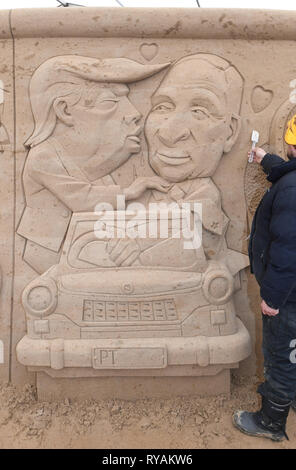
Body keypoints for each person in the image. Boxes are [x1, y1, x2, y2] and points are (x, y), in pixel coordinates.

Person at [17, 55, 171, 273]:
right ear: (65, 110)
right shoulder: (43, 157)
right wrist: (129, 192)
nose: (134, 114)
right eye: (110, 103)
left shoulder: (94, 170)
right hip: (48, 254)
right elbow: (81, 198)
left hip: (84, 251)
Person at [233, 114, 296, 441]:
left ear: (290, 142)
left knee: (280, 355)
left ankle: (272, 422)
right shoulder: (291, 183)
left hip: (288, 295)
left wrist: (272, 298)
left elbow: (289, 252)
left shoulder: (291, 191)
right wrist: (265, 160)